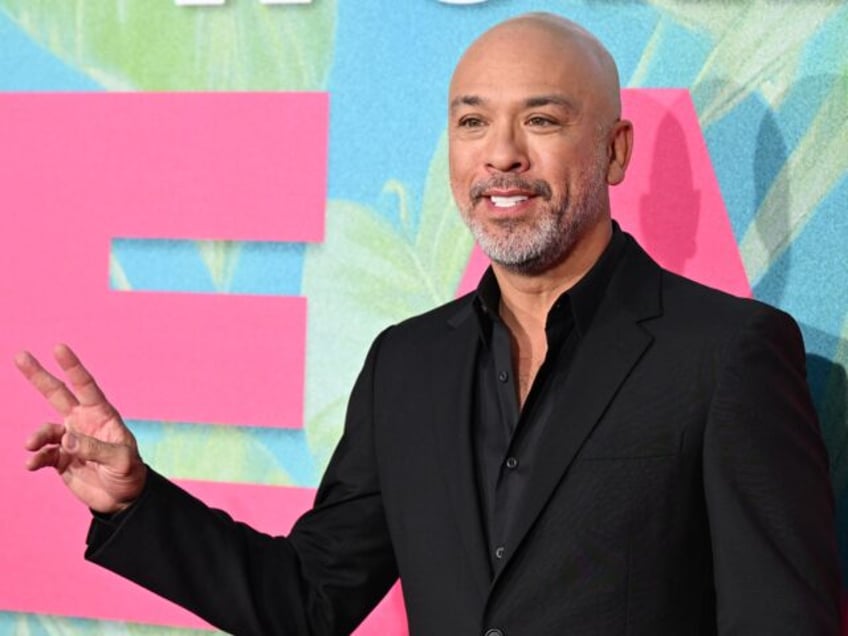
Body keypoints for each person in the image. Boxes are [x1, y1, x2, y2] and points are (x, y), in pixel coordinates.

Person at [16, 12, 841, 636]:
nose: (501, 155)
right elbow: (309, 598)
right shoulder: (407, 364)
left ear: (616, 151)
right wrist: (134, 503)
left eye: (542, 121)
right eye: (472, 121)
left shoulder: (725, 355)